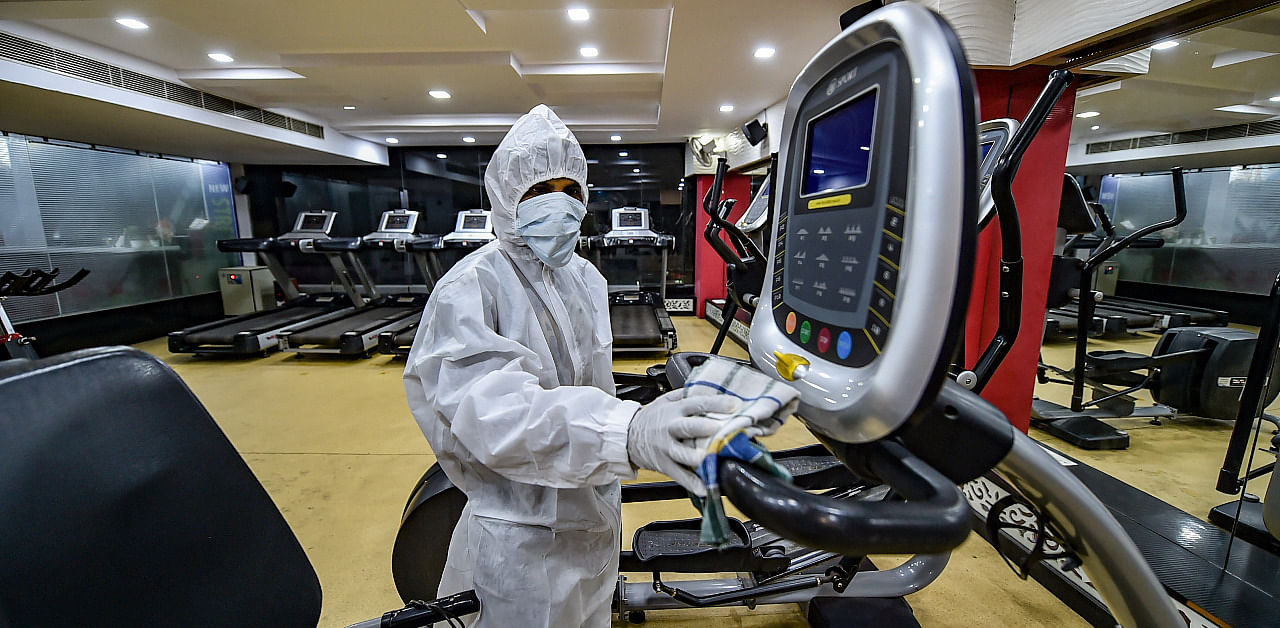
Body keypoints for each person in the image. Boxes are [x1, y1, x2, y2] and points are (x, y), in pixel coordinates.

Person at [403, 104, 738, 627]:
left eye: (570, 189)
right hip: (524, 530)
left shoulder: (584, 278)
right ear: (507, 197)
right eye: (539, 190)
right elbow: (497, 418)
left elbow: (588, 385)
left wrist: (638, 415)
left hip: (594, 504)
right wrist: (624, 433)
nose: (558, 204)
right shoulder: (470, 289)